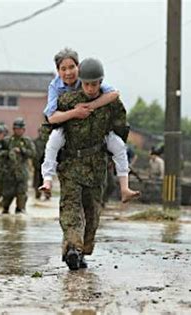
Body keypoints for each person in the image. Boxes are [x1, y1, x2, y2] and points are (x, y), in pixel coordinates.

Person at [47, 58, 129, 270]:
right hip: (71, 164)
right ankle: (72, 247)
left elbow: (121, 127)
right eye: (87, 84)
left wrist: (113, 150)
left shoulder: (111, 104)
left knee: (92, 212)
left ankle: (82, 250)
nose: (91, 88)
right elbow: (50, 123)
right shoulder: (67, 101)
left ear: (101, 81)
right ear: (80, 82)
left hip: (96, 165)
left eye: (95, 84)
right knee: (71, 209)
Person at [39, 48, 139, 203]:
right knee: (53, 142)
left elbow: (114, 94)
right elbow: (51, 116)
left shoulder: (88, 78)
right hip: (68, 130)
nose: (68, 73)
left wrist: (90, 105)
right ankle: (47, 180)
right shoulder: (55, 87)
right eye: (63, 69)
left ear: (79, 67)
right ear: (57, 71)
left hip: (97, 134)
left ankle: (125, 188)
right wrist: (75, 112)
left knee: (119, 146)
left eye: (72, 67)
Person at [0, 118, 36, 214]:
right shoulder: (7, 141)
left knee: (21, 195)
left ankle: (20, 212)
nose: (18, 131)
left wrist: (22, 150)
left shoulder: (27, 141)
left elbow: (33, 153)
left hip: (22, 173)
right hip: (9, 173)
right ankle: (5, 211)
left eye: (20, 129)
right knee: (7, 196)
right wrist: (9, 153)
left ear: (24, 130)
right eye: (16, 129)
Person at [32, 127, 50, 200]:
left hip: (46, 164)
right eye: (40, 132)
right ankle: (37, 193)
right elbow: (33, 153)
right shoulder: (35, 141)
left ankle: (47, 194)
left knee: (46, 179)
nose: (41, 133)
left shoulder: (48, 141)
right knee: (37, 180)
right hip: (37, 164)